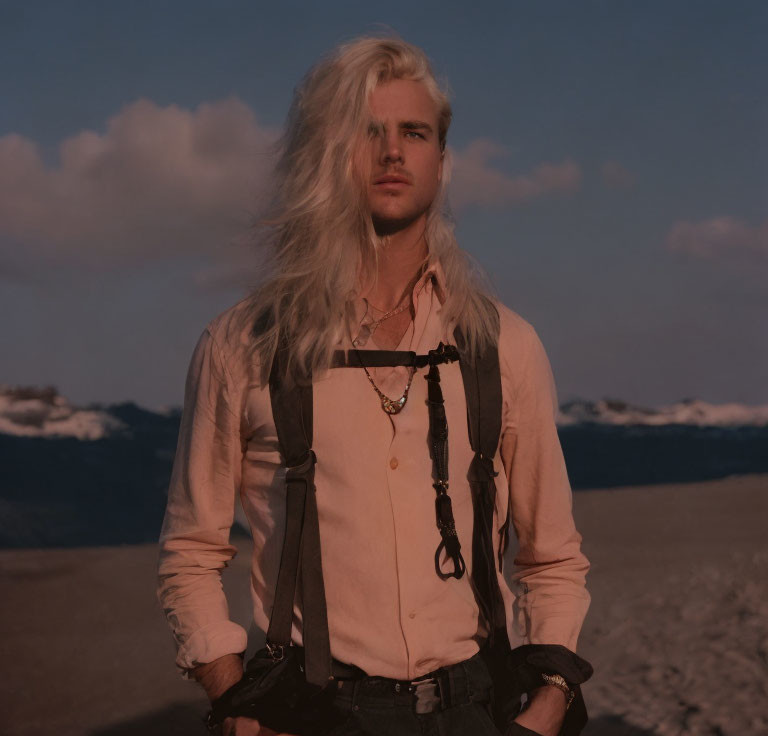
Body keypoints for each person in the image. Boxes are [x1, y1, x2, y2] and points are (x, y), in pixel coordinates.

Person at [157, 36, 591, 736]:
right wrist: (234, 704)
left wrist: (548, 703)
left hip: (477, 711)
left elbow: (553, 555)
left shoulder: (502, 344)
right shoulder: (244, 345)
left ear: (441, 161)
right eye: (368, 130)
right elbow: (192, 551)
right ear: (326, 155)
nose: (393, 152)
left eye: (414, 133)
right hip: (312, 714)